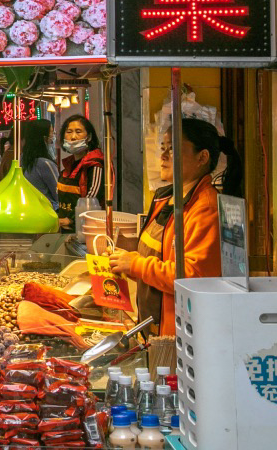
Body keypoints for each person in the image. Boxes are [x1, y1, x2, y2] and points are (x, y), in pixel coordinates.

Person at [106, 117, 227, 336]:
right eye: (163, 147)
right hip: (153, 327)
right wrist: (125, 261)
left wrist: (136, 265)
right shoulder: (166, 199)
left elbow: (192, 277)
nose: (163, 156)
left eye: (172, 149)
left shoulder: (206, 208)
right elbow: (159, 260)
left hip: (179, 334)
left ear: (202, 157)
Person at [55, 114, 106, 230]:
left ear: (89, 137)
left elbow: (91, 200)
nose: (73, 137)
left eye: (78, 132)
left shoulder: (96, 165)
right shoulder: (68, 166)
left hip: (86, 231)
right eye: (69, 132)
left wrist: (71, 220)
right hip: (65, 231)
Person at [14, 118, 58, 200]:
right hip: (47, 207)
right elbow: (59, 194)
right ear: (44, 138)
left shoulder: (23, 159)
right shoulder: (45, 164)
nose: (53, 137)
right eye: (52, 133)